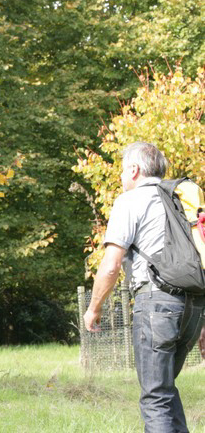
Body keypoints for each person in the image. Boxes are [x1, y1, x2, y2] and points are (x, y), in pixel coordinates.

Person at [84, 141, 205, 433]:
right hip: (195, 307)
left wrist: (94, 308)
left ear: (134, 169)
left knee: (155, 398)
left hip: (157, 305)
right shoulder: (181, 198)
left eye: (123, 170)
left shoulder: (129, 201)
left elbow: (111, 265)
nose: (122, 178)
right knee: (164, 390)